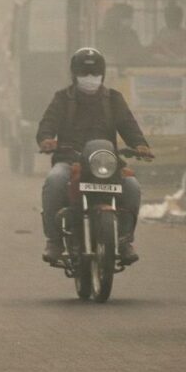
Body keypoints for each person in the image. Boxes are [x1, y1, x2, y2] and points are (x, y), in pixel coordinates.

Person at [36, 48, 154, 265]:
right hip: (69, 161)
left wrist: (140, 145)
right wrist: (46, 139)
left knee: (133, 187)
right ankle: (54, 241)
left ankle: (125, 239)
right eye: (85, 74)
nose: (90, 79)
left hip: (107, 163)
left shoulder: (114, 99)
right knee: (54, 181)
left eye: (94, 74)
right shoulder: (62, 98)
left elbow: (129, 126)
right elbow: (47, 124)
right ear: (74, 75)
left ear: (103, 74)